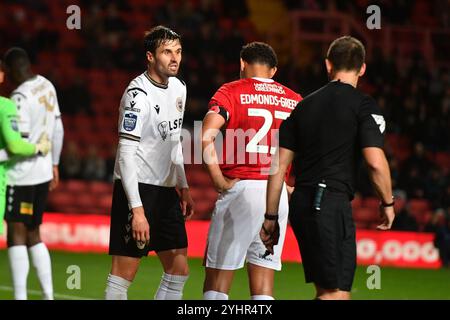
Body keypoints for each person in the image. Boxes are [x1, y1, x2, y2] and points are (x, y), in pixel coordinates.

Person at [260, 36, 395, 300]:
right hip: (329, 202)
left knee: (334, 292)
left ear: (328, 65)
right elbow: (375, 163)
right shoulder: (363, 105)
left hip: (304, 202)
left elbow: (278, 167)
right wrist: (387, 203)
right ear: (362, 68)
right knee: (334, 294)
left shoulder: (303, 106)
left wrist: (271, 217)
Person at [201, 42, 302, 300]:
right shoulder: (295, 100)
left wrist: (219, 181)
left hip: (241, 189)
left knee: (217, 281)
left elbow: (205, 138)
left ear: (242, 64)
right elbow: (313, 149)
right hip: (275, 197)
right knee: (263, 283)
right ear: (274, 71)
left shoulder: (231, 91)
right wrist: (292, 186)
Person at [105, 26, 194, 300]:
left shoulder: (179, 88)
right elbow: (125, 154)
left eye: (178, 51)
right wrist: (137, 210)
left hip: (167, 191)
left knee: (178, 270)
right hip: (138, 189)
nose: (175, 58)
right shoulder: (137, 96)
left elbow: (174, 142)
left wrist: (183, 185)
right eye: (167, 52)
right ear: (150, 57)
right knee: (124, 273)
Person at [2, 48, 64, 300]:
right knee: (34, 233)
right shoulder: (46, 84)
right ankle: (48, 295)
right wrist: (55, 163)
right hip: (43, 171)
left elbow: (20, 147)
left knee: (16, 233)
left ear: (12, 69)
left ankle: (20, 296)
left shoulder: (19, 98)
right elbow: (58, 128)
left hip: (22, 175)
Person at [0, 59, 51, 235]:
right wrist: (39, 148)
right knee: (27, 233)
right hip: (12, 176)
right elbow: (15, 146)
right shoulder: (5, 105)